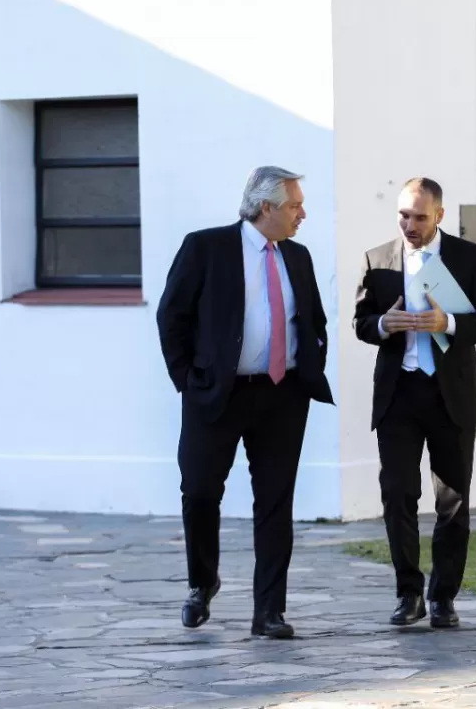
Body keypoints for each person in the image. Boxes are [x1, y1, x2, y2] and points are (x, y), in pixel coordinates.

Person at [157, 165, 333, 640]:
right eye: (295, 206)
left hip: (283, 395)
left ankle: (269, 612)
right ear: (267, 207)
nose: (303, 214)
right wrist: (187, 381)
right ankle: (202, 582)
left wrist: (311, 361)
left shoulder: (298, 256)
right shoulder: (206, 247)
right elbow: (171, 315)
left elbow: (313, 321)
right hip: (216, 395)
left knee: (275, 502)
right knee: (198, 491)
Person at [353, 177, 476, 629]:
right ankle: (408, 594)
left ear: (439, 214)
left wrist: (449, 322)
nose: (410, 224)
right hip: (399, 394)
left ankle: (443, 598)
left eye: (419, 216)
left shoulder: (466, 257)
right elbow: (361, 322)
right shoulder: (378, 260)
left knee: (453, 501)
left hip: (450, 395)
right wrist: (383, 323)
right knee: (397, 495)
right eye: (403, 215)